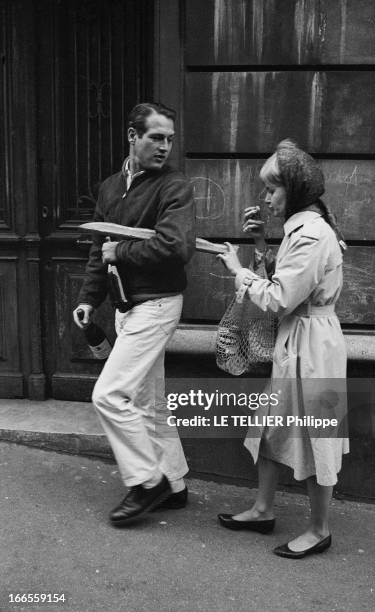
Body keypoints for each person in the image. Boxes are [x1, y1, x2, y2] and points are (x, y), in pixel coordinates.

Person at [217, 139, 349, 558]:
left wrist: (239, 271)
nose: (267, 197)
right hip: (301, 339)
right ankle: (262, 509)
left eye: (273, 189)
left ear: (295, 189)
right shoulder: (303, 230)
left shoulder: (311, 234)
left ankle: (320, 529)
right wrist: (259, 247)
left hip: (314, 346)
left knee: (320, 433)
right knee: (273, 426)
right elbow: (290, 284)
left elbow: (279, 298)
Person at [73, 102, 196, 527]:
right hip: (127, 305)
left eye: (169, 140)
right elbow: (97, 250)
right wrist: (90, 299)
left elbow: (176, 248)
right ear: (132, 136)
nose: (164, 147)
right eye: (155, 138)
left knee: (108, 395)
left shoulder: (174, 188)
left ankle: (147, 482)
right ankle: (175, 485)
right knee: (148, 403)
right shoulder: (110, 188)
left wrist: (120, 250)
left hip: (158, 304)